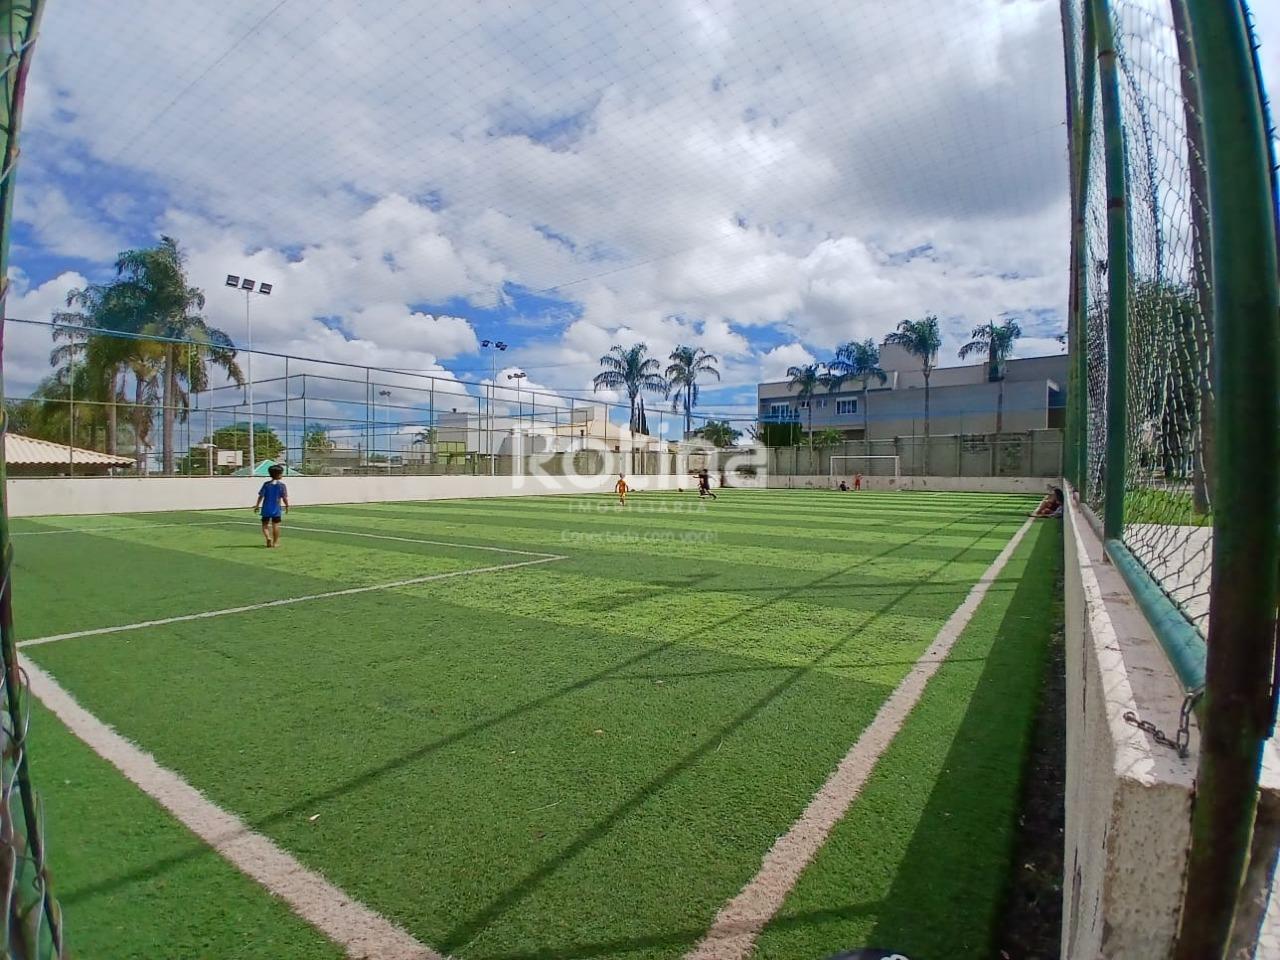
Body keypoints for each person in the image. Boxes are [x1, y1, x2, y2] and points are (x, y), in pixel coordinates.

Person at [254, 464, 290, 547]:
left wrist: (257, 505)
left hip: (266, 508)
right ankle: (275, 542)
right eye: (281, 473)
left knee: (265, 525)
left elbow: (261, 496)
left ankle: (268, 538)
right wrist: (287, 506)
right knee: (276, 525)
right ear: (278, 474)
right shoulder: (282, 486)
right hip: (276, 509)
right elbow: (284, 498)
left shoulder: (266, 484)